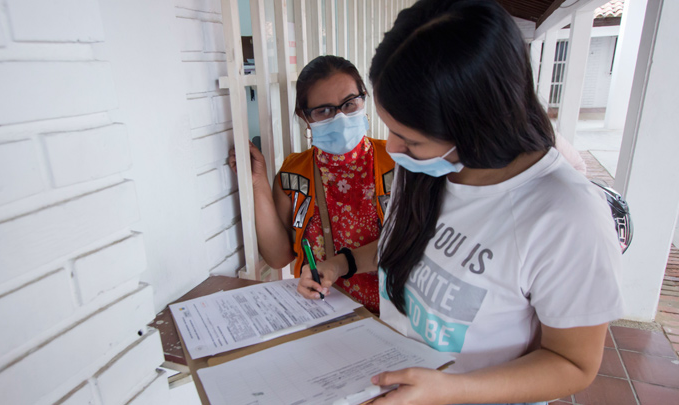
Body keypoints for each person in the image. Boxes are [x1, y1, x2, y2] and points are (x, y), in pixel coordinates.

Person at [297, 1, 624, 404]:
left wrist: (451, 390)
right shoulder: (424, 169)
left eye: (411, 139)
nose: (394, 147)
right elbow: (409, 247)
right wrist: (341, 263)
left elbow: (573, 364)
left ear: (476, 124)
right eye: (392, 129)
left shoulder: (568, 217)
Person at [229, 55, 394, 314]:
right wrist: (258, 181)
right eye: (324, 110)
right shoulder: (294, 174)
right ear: (305, 117)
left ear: (364, 98)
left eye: (350, 103)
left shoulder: (397, 163)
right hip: (322, 314)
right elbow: (278, 257)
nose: (340, 117)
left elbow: (414, 241)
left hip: (394, 315)